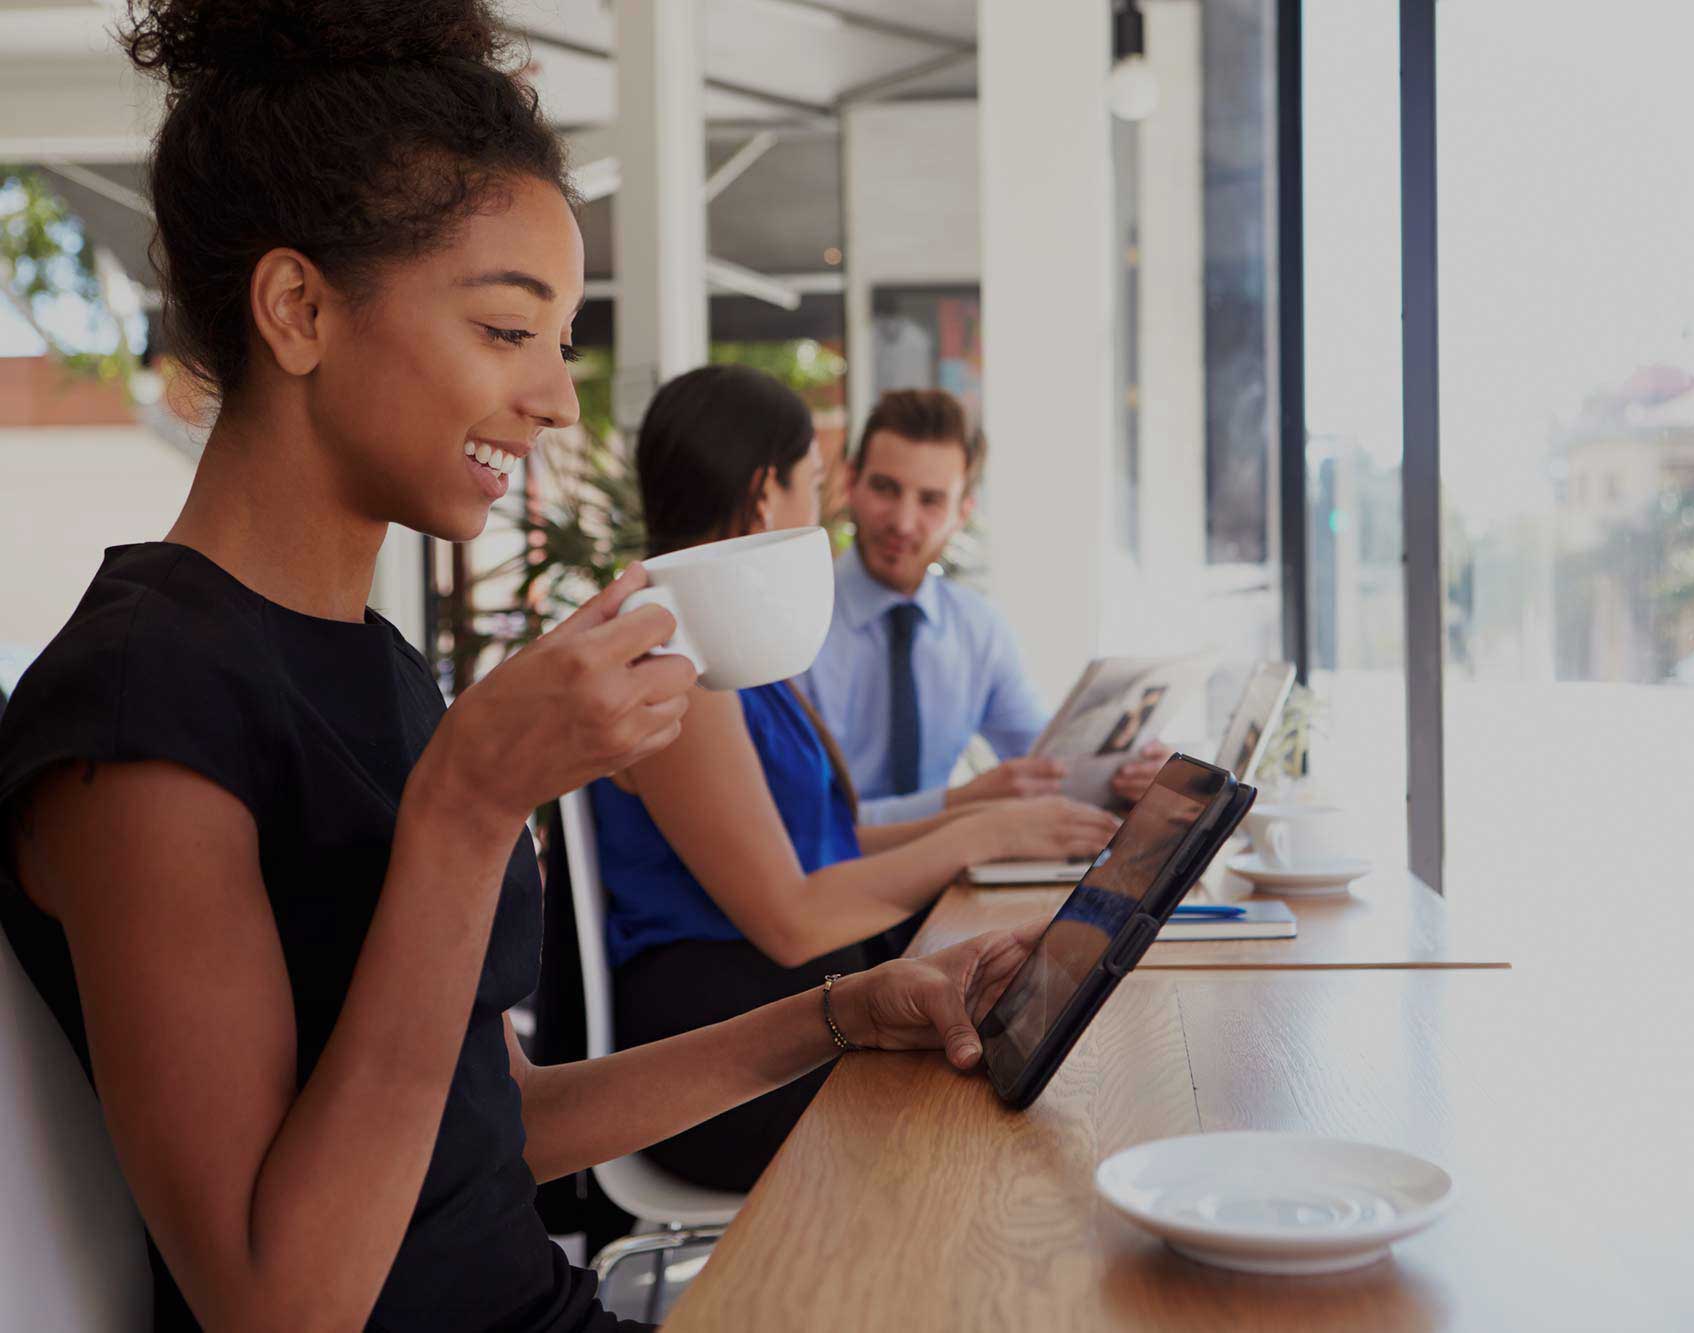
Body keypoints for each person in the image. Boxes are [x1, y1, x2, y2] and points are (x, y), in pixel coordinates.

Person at [0, 6, 1042, 1330]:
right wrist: (472, 803)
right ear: (299, 308)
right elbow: (279, 1301)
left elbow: (499, 1133)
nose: (558, 399)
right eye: (508, 332)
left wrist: (842, 1016)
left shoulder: (369, 667)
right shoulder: (140, 712)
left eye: (560, 343)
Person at [594, 364, 1119, 1191]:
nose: (823, 516)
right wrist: (975, 832)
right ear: (766, 496)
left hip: (785, 1011)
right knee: (1012, 1104)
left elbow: (823, 845)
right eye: (814, 484)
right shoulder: (676, 661)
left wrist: (982, 824)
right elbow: (793, 920)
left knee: (1038, 1061)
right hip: (719, 1055)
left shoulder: (724, 641)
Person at [801, 390, 1169, 823]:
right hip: (829, 880)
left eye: (931, 500)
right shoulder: (797, 627)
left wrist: (1131, 776)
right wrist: (959, 803)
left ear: (962, 513)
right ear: (850, 484)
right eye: (886, 488)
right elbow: (803, 825)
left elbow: (1053, 770)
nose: (902, 521)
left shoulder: (976, 629)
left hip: (950, 878)